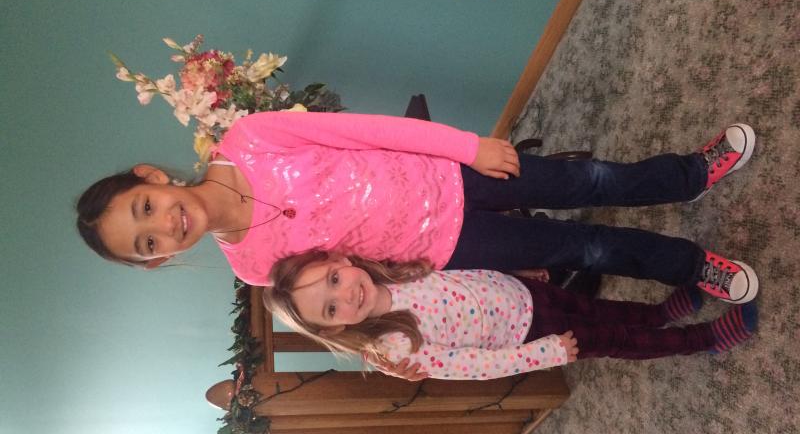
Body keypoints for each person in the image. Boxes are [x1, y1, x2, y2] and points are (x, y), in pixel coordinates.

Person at [76, 112, 759, 304]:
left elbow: (367, 130)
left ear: (152, 178)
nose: (164, 226)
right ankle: (691, 267)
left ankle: (687, 174)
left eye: (145, 207)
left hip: (454, 176)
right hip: (445, 249)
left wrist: (468, 146)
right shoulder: (254, 268)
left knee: (586, 181)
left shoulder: (251, 137)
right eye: (147, 243)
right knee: (582, 249)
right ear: (157, 262)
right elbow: (355, 284)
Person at [263, 251, 758, 380]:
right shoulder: (394, 348)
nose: (346, 295)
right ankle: (700, 340)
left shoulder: (387, 271)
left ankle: (657, 314)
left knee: (599, 308)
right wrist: (545, 354)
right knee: (613, 339)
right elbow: (475, 366)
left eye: (334, 280)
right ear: (335, 327)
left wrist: (514, 274)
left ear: (341, 261)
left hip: (524, 293)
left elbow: (460, 274)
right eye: (331, 308)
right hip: (532, 334)